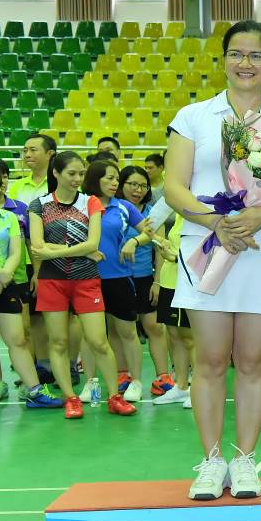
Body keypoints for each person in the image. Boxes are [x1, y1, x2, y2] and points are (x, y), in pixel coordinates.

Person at [165, 20, 261, 500]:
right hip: (206, 247)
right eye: (237, 54)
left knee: (253, 360)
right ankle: (210, 461)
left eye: (257, 55)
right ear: (223, 60)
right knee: (210, 359)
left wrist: (260, 217)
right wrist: (216, 222)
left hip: (260, 251)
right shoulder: (193, 117)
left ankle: (244, 461)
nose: (246, 63)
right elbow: (174, 186)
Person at [29, 151, 131, 420]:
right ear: (56, 173)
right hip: (52, 281)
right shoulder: (39, 205)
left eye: (81, 174)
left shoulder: (91, 202)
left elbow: (92, 244)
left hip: (86, 280)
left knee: (99, 341)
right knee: (58, 342)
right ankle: (71, 398)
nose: (77, 179)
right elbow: (36, 246)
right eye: (71, 173)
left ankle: (114, 397)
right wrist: (82, 250)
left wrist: (54, 251)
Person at [0, 164, 48, 412]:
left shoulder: (9, 218)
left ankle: (34, 390)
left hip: (6, 284)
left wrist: (2, 280)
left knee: (18, 338)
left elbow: (16, 252)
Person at [87, 160, 149, 405]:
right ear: (95, 179)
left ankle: (136, 381)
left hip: (119, 278)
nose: (115, 183)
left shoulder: (123, 206)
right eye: (109, 178)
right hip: (86, 278)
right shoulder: (82, 205)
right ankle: (91, 383)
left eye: (116, 179)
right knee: (90, 336)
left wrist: (134, 241)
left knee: (127, 332)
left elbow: (148, 231)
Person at [118, 165, 173, 398]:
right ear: (121, 185)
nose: (138, 190)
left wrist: (157, 282)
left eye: (143, 185)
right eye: (132, 184)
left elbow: (160, 250)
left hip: (144, 278)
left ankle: (162, 377)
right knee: (121, 330)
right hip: (118, 278)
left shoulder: (153, 213)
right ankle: (123, 375)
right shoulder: (114, 210)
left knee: (154, 327)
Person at [11, 133, 55, 380]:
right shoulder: (16, 187)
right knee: (34, 319)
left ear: (50, 154)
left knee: (62, 316)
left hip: (57, 259)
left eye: (33, 150)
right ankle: (39, 366)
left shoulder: (60, 184)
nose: (27, 155)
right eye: (25, 150)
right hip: (25, 261)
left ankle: (67, 364)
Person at [149, 209, 193, 407]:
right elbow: (175, 245)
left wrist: (175, 257)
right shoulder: (178, 215)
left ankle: (198, 388)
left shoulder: (198, 214)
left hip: (186, 283)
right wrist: (161, 241)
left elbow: (203, 252)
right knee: (174, 335)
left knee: (190, 338)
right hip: (169, 280)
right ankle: (181, 387)